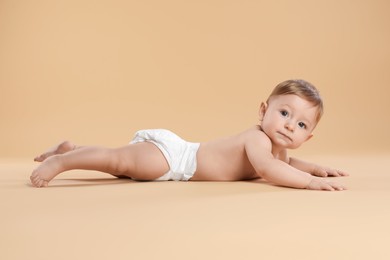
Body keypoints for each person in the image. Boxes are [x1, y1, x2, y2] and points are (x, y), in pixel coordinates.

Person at [30, 79, 348, 190]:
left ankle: (72, 148)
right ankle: (61, 162)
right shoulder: (258, 140)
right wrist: (309, 182)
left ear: (308, 137)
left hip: (177, 161)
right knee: (118, 162)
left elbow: (287, 161)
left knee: (119, 167)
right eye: (284, 113)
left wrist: (316, 168)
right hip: (173, 159)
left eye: (302, 125)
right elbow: (268, 170)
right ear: (263, 111)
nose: (291, 125)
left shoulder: (277, 149)